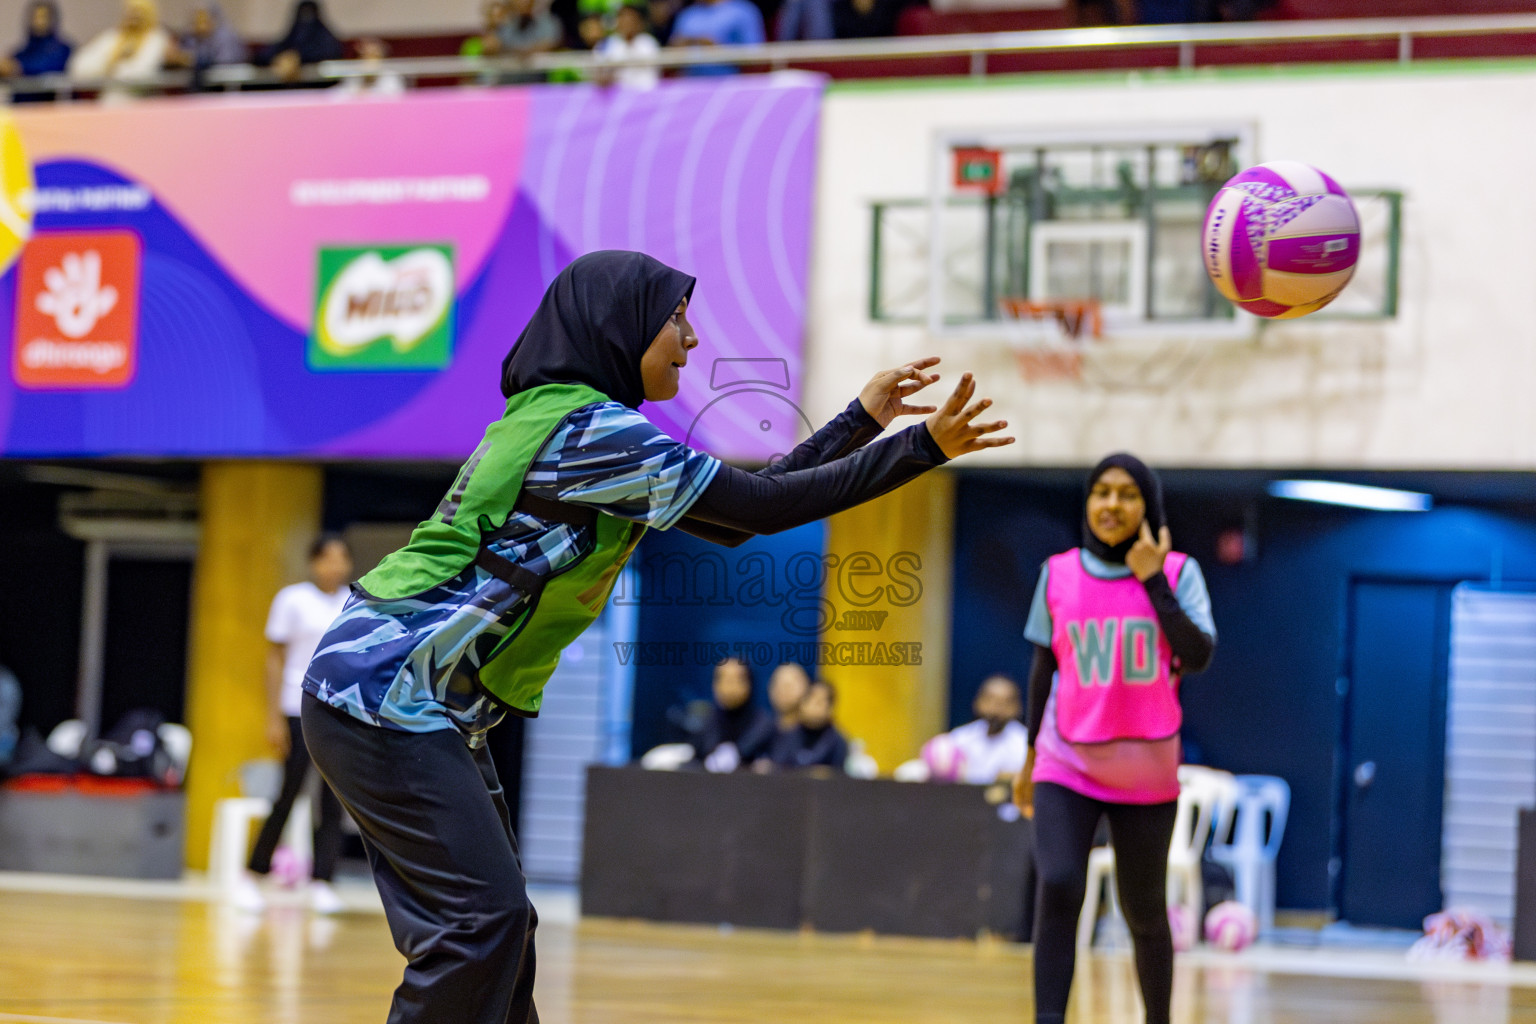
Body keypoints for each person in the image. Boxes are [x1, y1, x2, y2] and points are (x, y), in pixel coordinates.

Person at [299, 249, 1010, 1023]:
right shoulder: (588, 430)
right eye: (677, 319)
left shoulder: (569, 420)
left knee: (501, 931)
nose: (691, 339)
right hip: (388, 693)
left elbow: (751, 506)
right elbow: (758, 513)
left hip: (396, 696)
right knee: (482, 925)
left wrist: (861, 421)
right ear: (620, 325)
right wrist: (920, 447)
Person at [1012, 453, 1216, 1024]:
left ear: (1146, 507)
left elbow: (1197, 656)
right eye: (1101, 492)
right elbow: (1041, 670)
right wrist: (1029, 757)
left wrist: (1152, 579)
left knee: (1145, 913)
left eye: (1127, 494)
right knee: (1058, 883)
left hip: (1147, 772)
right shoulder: (1058, 573)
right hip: (1065, 760)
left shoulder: (1179, 572)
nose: (1111, 504)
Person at [234, 534, 354, 915]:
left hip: (339, 708)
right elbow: (274, 658)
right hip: (296, 705)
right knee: (288, 792)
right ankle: (252, 874)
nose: (333, 566)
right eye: (326, 559)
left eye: (340, 559)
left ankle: (322, 880)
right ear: (313, 563)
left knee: (333, 799)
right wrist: (272, 716)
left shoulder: (356, 599)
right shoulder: (292, 599)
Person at [67, 0, 171, 105]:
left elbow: (142, 74)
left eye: (140, 11)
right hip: (108, 103)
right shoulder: (113, 37)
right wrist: (109, 64)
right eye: (131, 10)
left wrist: (111, 70)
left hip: (142, 104)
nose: (135, 15)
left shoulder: (157, 38)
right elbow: (78, 68)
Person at [928, 674, 1027, 785]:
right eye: (990, 700)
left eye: (1006, 703)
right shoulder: (960, 737)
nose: (996, 708)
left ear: (1018, 707)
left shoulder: (1025, 743)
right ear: (978, 702)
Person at [693, 657, 774, 772]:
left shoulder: (764, 725)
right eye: (722, 679)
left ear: (749, 683)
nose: (728, 686)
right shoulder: (706, 723)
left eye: (735, 679)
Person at [258, 0, 344, 87]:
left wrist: (299, 58)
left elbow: (328, 54)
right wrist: (281, 58)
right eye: (303, 13)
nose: (306, 18)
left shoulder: (326, 39)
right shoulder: (293, 35)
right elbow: (267, 55)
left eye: (309, 13)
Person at [667, 0, 763, 76]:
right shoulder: (686, 15)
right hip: (688, 85)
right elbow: (669, 58)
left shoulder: (743, 11)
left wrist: (719, 50)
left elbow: (757, 57)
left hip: (731, 85)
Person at [769, 679, 848, 772]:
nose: (813, 705)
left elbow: (837, 777)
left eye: (819, 702)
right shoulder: (787, 736)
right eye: (809, 699)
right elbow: (777, 768)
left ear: (830, 709)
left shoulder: (837, 742)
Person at [1, 2, 73, 102]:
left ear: (52, 20)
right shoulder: (22, 52)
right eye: (35, 17)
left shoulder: (61, 49)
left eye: (43, 17)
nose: (39, 22)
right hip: (19, 108)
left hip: (45, 107)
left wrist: (16, 67)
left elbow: (47, 66)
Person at [165, 3, 245, 91]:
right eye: (196, 19)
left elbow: (224, 64)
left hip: (221, 89)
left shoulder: (224, 37)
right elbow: (181, 55)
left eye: (203, 19)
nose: (198, 24)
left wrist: (193, 60)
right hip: (196, 90)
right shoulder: (191, 37)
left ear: (213, 19)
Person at [595, 0, 660, 88]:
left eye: (631, 18)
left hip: (645, 93)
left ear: (639, 21)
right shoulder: (605, 44)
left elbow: (654, 73)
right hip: (615, 95)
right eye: (623, 18)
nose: (627, 22)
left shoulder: (648, 42)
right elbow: (599, 75)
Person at [332, 37, 405, 97]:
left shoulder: (391, 77)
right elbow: (341, 94)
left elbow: (393, 98)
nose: (369, 60)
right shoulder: (353, 75)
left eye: (374, 56)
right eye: (364, 56)